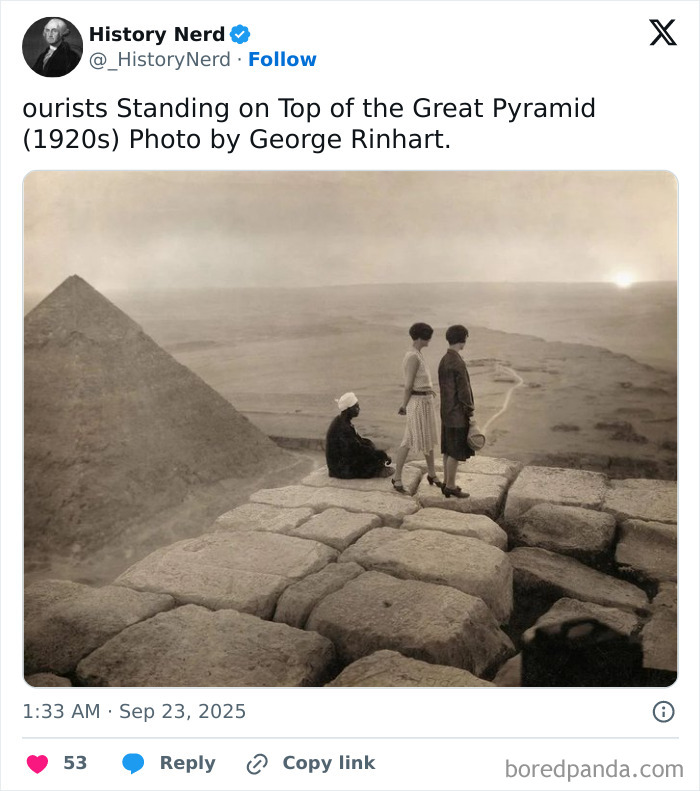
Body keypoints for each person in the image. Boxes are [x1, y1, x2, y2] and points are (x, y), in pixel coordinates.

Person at [391, 322, 442, 494]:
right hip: (417, 403)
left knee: (427, 438)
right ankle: (397, 478)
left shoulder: (418, 354)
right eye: (428, 337)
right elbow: (408, 385)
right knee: (408, 440)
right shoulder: (413, 356)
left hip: (425, 402)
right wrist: (404, 405)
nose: (429, 340)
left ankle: (432, 474)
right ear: (421, 337)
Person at [437, 324, 475, 498]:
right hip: (457, 414)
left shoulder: (444, 359)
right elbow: (464, 391)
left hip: (446, 412)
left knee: (447, 450)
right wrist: (470, 410)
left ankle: (446, 483)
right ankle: (451, 486)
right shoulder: (457, 362)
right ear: (463, 339)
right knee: (455, 451)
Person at [325, 392, 393, 479]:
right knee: (372, 461)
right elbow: (356, 450)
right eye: (356, 407)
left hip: (340, 465)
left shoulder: (341, 421)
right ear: (348, 409)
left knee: (368, 444)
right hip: (340, 469)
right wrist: (381, 455)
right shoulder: (343, 427)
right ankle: (378, 470)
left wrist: (371, 447)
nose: (359, 409)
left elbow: (357, 444)